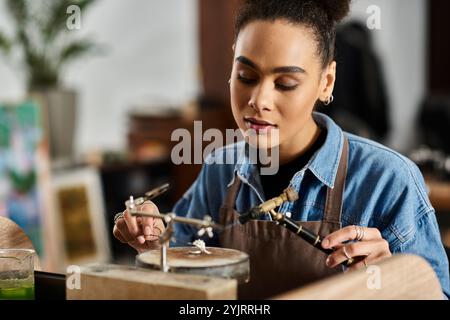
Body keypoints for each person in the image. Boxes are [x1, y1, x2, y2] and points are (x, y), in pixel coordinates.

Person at [113, 0, 449, 299]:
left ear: (326, 82)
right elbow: (181, 263)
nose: (258, 101)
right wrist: (153, 237)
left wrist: (393, 282)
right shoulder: (220, 168)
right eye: (245, 76)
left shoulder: (389, 181)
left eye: (285, 84)